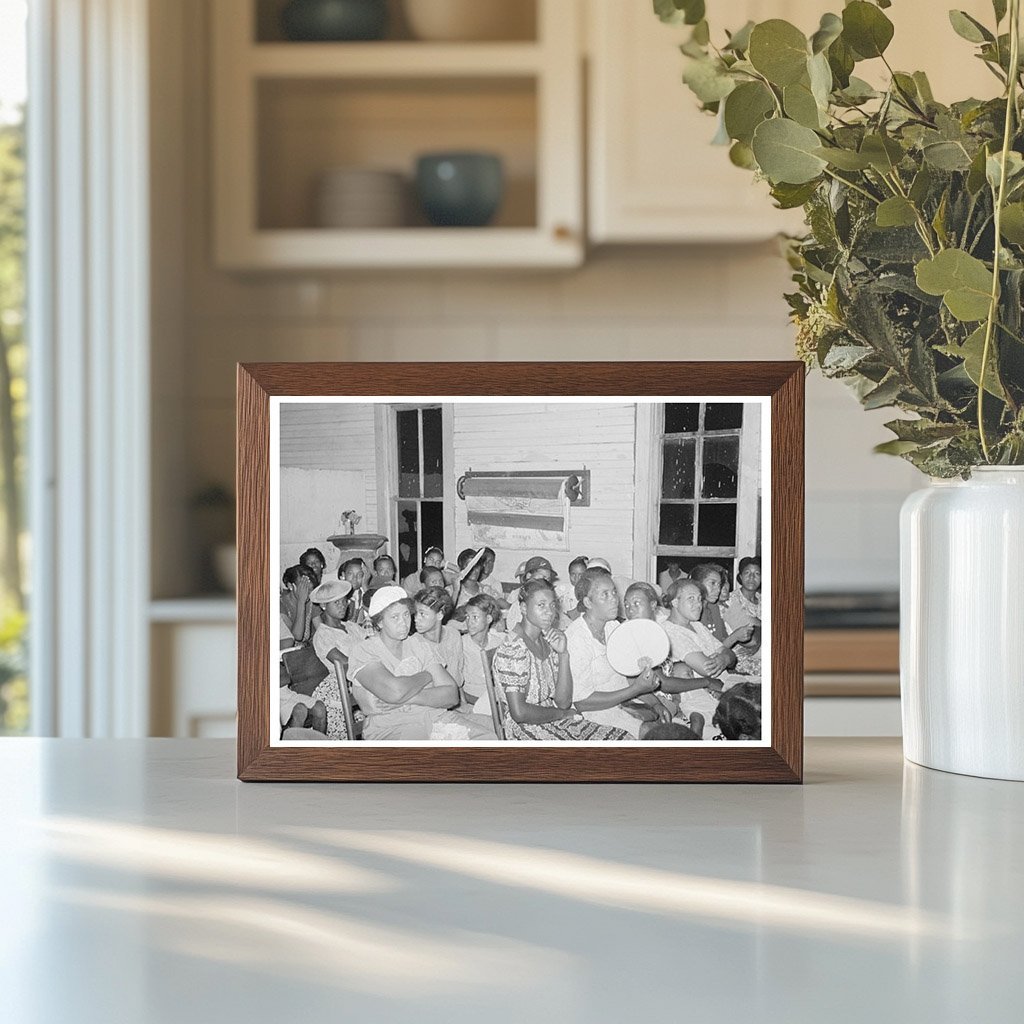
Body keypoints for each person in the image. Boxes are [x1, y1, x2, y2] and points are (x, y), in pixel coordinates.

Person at [345, 586, 496, 741]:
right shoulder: (364, 650)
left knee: (491, 739)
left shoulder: (417, 644)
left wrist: (407, 697)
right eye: (395, 617)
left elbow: (451, 695)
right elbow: (395, 691)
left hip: (434, 719)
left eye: (406, 615)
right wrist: (428, 675)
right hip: (392, 728)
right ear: (380, 622)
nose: (403, 623)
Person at [491, 579, 628, 741]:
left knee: (624, 738)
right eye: (541, 605)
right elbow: (519, 713)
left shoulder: (547, 642)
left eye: (552, 605)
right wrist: (562, 714)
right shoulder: (513, 649)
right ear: (523, 608)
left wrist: (563, 655)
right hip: (525, 730)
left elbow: (563, 701)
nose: (549, 612)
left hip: (553, 720)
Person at [566, 568, 667, 738]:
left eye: (614, 592)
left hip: (626, 703)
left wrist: (656, 704)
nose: (614, 599)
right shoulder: (577, 638)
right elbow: (581, 702)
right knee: (655, 736)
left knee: (668, 729)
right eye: (604, 595)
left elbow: (628, 676)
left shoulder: (613, 627)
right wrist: (635, 690)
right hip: (594, 714)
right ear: (588, 603)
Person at [660, 579, 740, 739]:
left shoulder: (697, 626)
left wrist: (724, 659)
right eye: (691, 598)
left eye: (699, 599)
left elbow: (731, 656)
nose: (698, 604)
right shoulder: (669, 631)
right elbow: (707, 669)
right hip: (700, 696)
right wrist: (723, 657)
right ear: (675, 602)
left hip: (726, 682)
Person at [689, 563, 757, 672]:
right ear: (697, 584)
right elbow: (708, 654)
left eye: (719, 584)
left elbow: (722, 643)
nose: (718, 589)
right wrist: (735, 637)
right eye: (712, 583)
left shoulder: (714, 607)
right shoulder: (692, 613)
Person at [413, 585, 465, 687]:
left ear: (440, 615)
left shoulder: (453, 635)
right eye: (416, 613)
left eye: (422, 614)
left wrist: (463, 702)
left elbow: (458, 675)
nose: (416, 619)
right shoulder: (415, 643)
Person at [461, 594, 505, 711]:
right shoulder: (461, 644)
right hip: (472, 695)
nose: (469, 622)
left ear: (488, 619)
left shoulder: (497, 643)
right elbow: (456, 680)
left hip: (494, 694)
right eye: (467, 617)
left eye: (475, 617)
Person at [310, 578, 369, 667]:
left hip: (369, 671)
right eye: (336, 602)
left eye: (344, 601)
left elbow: (372, 645)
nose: (342, 606)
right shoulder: (323, 635)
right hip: (346, 678)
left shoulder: (351, 626)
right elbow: (345, 664)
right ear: (323, 605)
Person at [505, 556, 558, 631]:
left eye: (548, 579)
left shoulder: (549, 602)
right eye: (542, 577)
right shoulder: (519, 606)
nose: (545, 582)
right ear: (529, 576)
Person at [280, 564, 317, 646]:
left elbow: (321, 630)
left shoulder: (311, 602)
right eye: (304, 588)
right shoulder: (280, 605)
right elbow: (297, 636)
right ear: (291, 586)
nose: (308, 594)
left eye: (310, 590)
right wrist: (301, 602)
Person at [555, 555, 589, 622]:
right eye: (573, 574)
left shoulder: (590, 593)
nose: (577, 578)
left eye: (581, 575)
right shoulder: (560, 592)